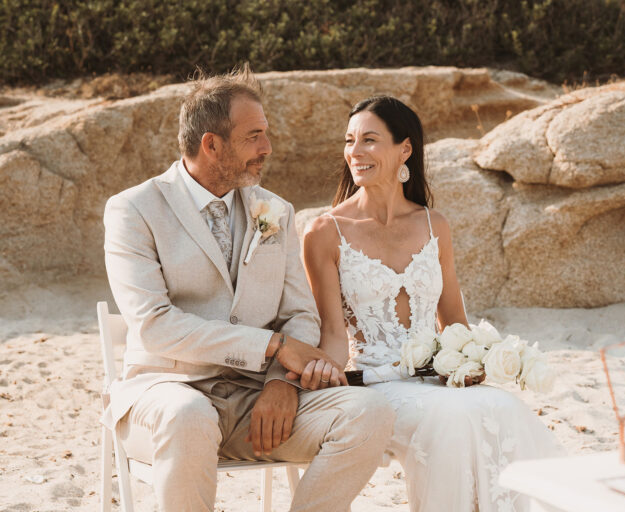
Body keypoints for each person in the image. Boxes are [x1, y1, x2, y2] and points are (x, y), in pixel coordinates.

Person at [102, 68, 395, 512]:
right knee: (189, 415)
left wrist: (282, 383)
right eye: (254, 136)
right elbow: (155, 326)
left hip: (256, 405)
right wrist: (272, 347)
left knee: (369, 415)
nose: (267, 148)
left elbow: (300, 314)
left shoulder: (274, 210)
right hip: (164, 396)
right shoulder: (134, 210)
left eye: (266, 134)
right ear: (212, 144)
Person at [301, 96, 559, 511]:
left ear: (405, 150)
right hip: (377, 386)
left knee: (504, 407)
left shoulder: (432, 224)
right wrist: (325, 380)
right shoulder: (325, 232)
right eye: (350, 141)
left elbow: (454, 321)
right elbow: (331, 330)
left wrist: (473, 363)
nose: (355, 152)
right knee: (454, 420)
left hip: (436, 380)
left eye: (369, 140)